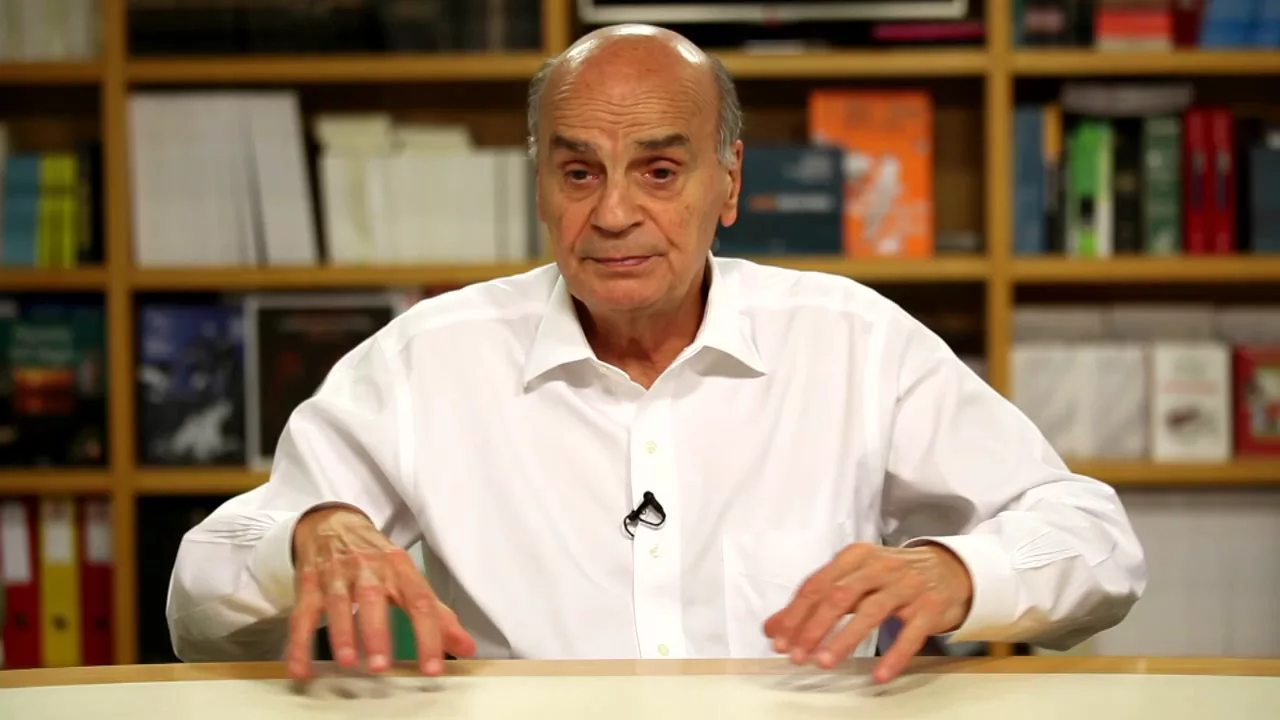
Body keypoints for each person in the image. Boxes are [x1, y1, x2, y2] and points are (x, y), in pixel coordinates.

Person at [165, 24, 1147, 685]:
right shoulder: (430, 360)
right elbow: (199, 596)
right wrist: (313, 532)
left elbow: (1095, 541)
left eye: (660, 170)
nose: (614, 213)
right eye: (578, 172)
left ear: (728, 183)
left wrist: (953, 569)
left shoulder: (851, 341)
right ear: (541, 186)